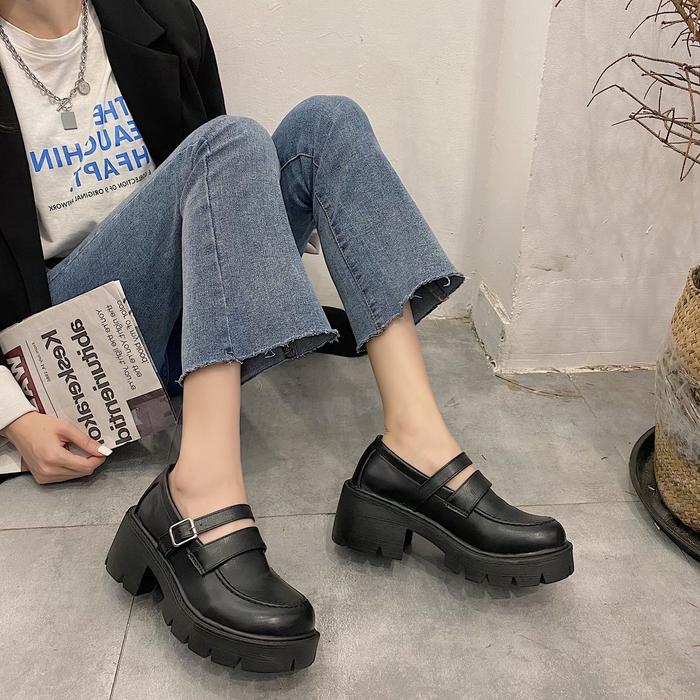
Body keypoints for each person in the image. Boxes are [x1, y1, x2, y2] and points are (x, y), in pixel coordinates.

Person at [0, 0, 574, 673]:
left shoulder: (157, 16)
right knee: (228, 141)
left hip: (177, 326)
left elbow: (219, 196)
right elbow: (213, 163)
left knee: (327, 123)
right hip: (66, 354)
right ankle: (197, 490)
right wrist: (13, 415)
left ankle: (414, 447)